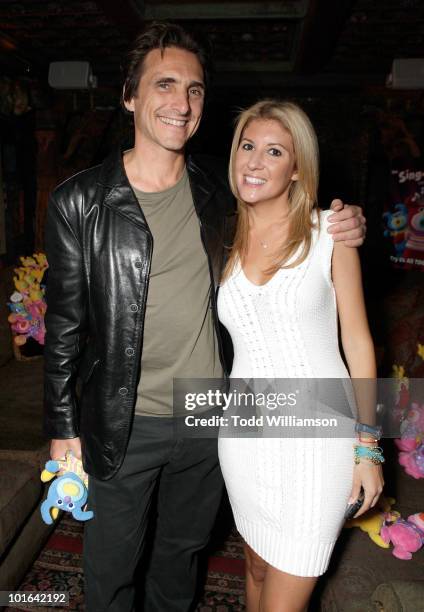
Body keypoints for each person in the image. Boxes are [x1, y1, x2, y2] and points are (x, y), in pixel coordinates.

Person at [43, 22, 367, 612]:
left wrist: (341, 225)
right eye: (164, 84)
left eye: (194, 90)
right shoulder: (80, 201)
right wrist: (63, 431)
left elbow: (289, 212)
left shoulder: (219, 193)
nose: (181, 102)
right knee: (109, 569)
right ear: (130, 96)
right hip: (123, 417)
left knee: (182, 556)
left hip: (213, 413)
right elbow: (62, 326)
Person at [217, 100, 384, 612]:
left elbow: (358, 343)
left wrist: (369, 448)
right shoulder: (223, 237)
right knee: (256, 566)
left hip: (317, 445)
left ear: (296, 169)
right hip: (244, 440)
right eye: (248, 146)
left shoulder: (329, 235)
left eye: (274, 152)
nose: (256, 162)